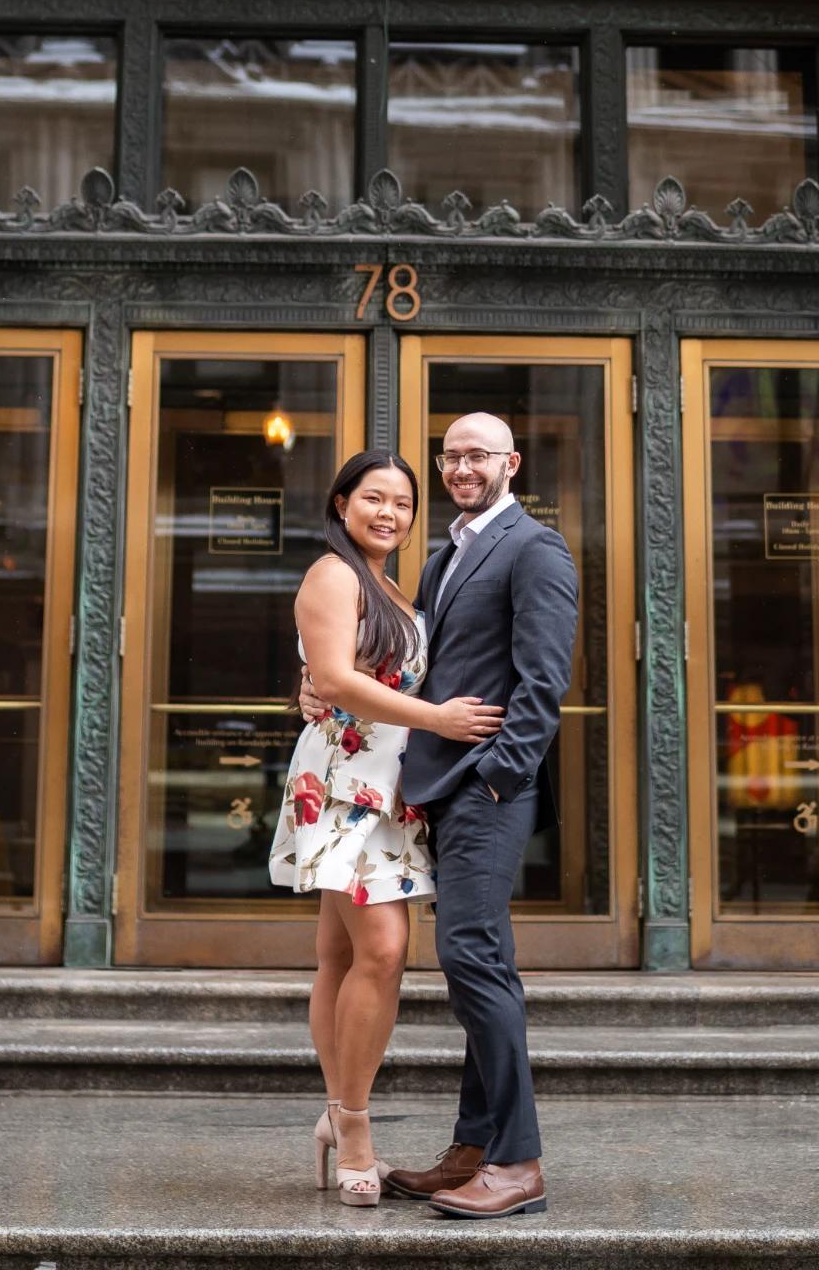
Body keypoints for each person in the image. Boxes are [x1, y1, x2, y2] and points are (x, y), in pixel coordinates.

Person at [301, 410, 578, 1220]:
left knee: (473, 958)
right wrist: (319, 685)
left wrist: (495, 778)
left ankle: (518, 1159)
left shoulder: (535, 547)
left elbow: (542, 681)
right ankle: (471, 1148)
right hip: (433, 786)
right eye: (453, 456)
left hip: (485, 786)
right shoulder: (446, 556)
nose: (463, 467)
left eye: (479, 455)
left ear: (512, 463)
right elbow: (405, 672)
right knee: (468, 959)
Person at [269, 447, 504, 1207]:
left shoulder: (391, 584)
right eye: (373, 498)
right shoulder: (333, 573)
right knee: (385, 949)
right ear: (342, 504)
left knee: (340, 955)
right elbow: (335, 678)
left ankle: (337, 1117)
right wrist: (436, 716)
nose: (388, 514)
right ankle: (357, 1125)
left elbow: (332, 673)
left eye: (402, 503)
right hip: (343, 786)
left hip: (390, 787)